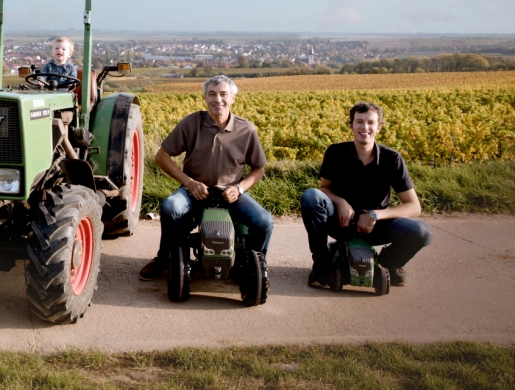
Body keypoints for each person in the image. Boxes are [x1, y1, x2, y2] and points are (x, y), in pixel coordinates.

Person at [139, 74, 273, 281]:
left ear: (233, 98)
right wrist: (189, 183)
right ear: (205, 98)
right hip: (194, 191)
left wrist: (239, 189)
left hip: (231, 193)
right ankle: (166, 258)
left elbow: (259, 169)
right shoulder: (191, 123)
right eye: (212, 94)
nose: (217, 99)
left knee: (264, 222)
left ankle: (250, 265)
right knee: (170, 207)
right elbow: (161, 157)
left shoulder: (246, 129)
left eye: (223, 94)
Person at [302, 101, 432, 288]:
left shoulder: (392, 159)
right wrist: (340, 202)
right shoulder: (335, 152)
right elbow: (323, 190)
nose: (365, 127)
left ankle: (390, 263)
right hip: (341, 222)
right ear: (351, 126)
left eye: (371, 122)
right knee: (310, 196)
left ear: (379, 128)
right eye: (359, 121)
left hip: (375, 226)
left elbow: (413, 206)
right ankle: (322, 263)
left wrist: (375, 215)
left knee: (422, 232)